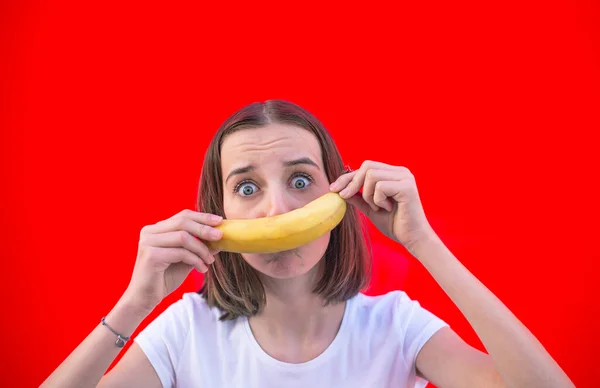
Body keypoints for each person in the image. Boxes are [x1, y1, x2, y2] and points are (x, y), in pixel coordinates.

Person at [41, 100, 574, 388]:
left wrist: (424, 243)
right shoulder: (186, 331)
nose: (278, 209)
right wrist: (134, 305)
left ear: (338, 194)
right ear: (217, 214)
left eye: (300, 180)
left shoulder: (396, 327)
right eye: (246, 187)